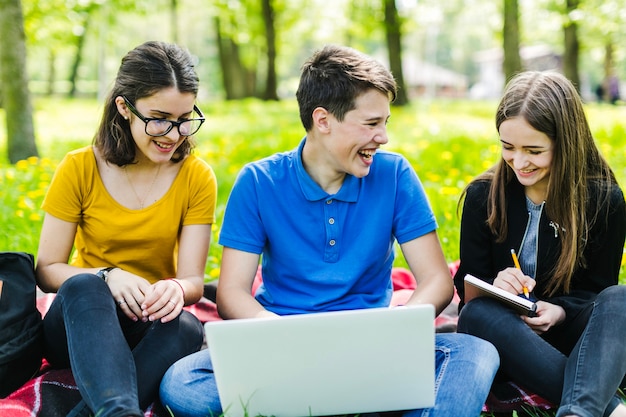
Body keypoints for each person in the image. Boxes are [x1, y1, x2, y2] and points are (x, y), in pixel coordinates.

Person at [159, 44, 499, 417]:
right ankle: (360, 402)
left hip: (374, 346)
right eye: (371, 123)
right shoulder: (258, 182)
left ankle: (319, 401)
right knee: (183, 384)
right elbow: (231, 293)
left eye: (385, 122)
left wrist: (395, 328)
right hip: (284, 348)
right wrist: (281, 335)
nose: (383, 136)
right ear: (323, 120)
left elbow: (436, 279)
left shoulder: (395, 175)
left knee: (476, 353)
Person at [35, 41, 217, 417]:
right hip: (82, 321)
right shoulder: (79, 168)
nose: (174, 133)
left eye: (185, 118)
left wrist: (175, 288)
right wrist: (107, 276)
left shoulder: (197, 177)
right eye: (160, 117)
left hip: (146, 320)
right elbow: (47, 269)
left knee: (186, 325)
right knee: (84, 284)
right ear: (124, 107)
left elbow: (193, 283)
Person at [454, 71, 626, 417]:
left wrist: (560, 311)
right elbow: (467, 285)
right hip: (506, 337)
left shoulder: (603, 199)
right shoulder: (482, 196)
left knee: (620, 299)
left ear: (566, 143)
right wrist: (494, 285)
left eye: (534, 150)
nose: (519, 161)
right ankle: (606, 409)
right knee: (477, 312)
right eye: (508, 147)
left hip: (573, 337)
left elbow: (597, 290)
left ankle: (579, 411)